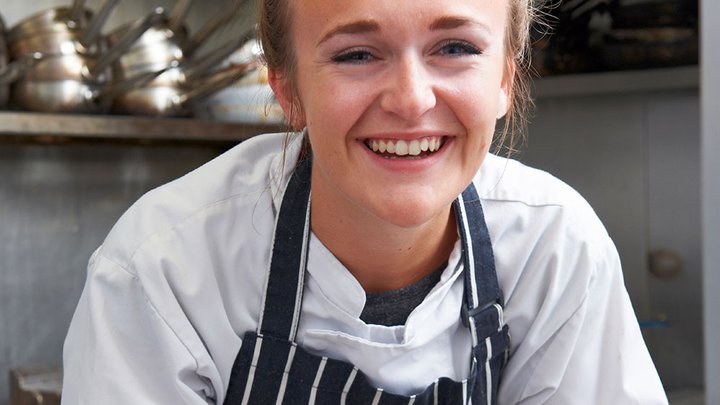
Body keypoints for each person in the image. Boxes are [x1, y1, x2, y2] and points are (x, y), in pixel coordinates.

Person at [61, 0, 669, 403]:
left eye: (455, 47)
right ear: (287, 89)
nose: (410, 99)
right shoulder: (163, 271)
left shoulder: (554, 249)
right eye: (356, 54)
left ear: (506, 79)